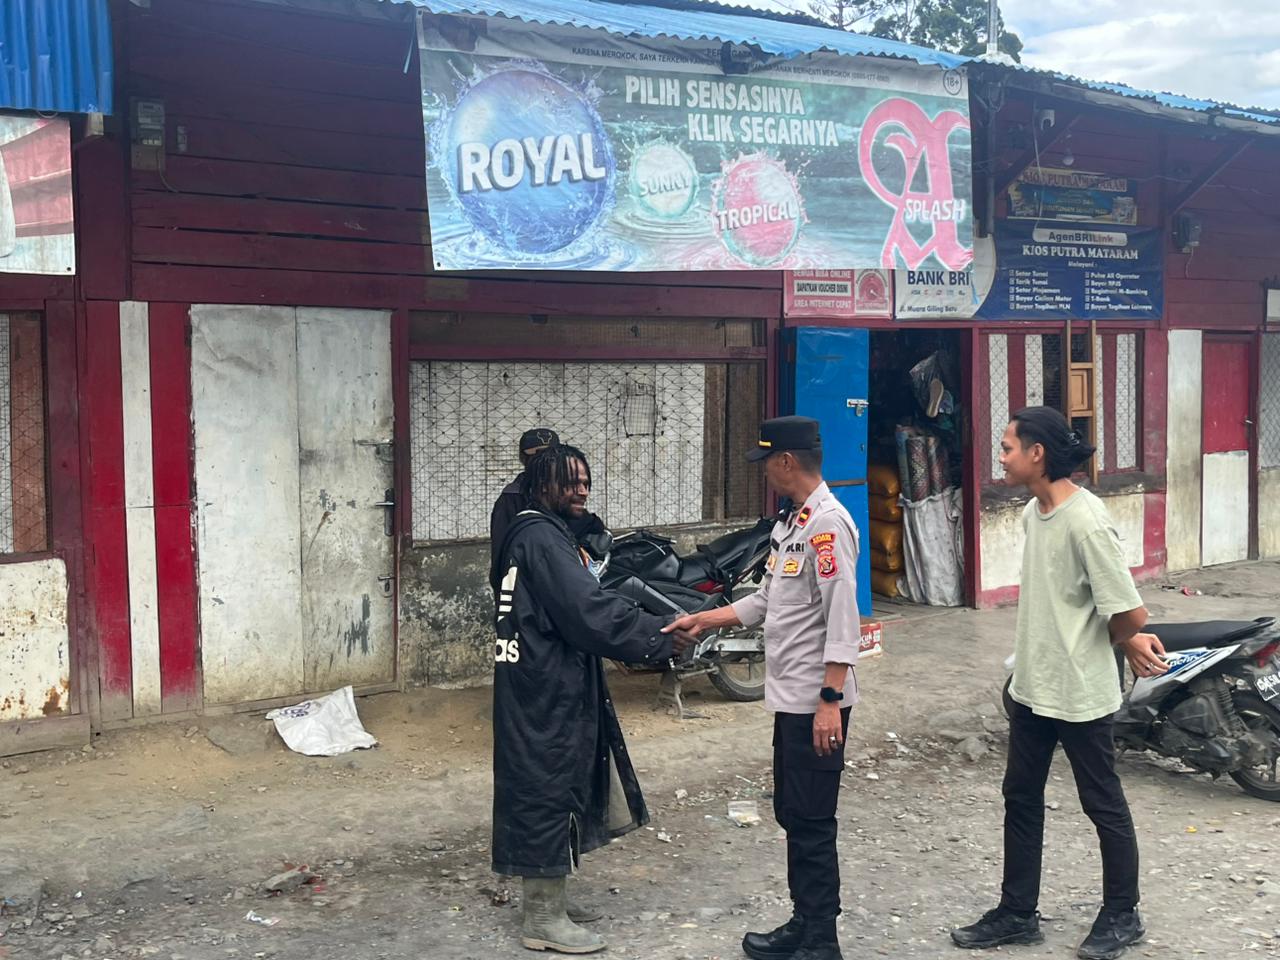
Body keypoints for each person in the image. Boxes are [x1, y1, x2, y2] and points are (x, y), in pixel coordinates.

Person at [950, 406, 1166, 960]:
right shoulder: (1032, 514)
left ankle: (1123, 913)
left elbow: (1128, 611)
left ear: (1036, 453)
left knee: (1102, 802)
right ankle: (1018, 913)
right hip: (1033, 685)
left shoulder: (1087, 520)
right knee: (1020, 798)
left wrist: (1127, 639)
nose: (1000, 457)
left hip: (1080, 690)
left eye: (1006, 447)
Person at [666, 416, 860, 960]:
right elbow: (767, 601)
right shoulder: (792, 525)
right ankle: (805, 922)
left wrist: (830, 701)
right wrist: (705, 621)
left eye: (767, 461)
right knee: (793, 813)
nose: (765, 471)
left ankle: (822, 937)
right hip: (792, 698)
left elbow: (842, 619)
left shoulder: (827, 527)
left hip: (818, 702)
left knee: (814, 819)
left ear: (787, 462)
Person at [491, 443, 694, 955]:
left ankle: (550, 898)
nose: (581, 489)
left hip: (540, 677)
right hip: (545, 683)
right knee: (546, 783)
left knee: (556, 778)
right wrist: (660, 634)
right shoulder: (542, 536)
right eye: (569, 482)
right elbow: (588, 611)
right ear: (542, 486)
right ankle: (541, 917)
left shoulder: (538, 532)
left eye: (585, 480)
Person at [490, 427, 559, 592]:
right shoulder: (511, 497)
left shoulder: (566, 492)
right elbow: (502, 554)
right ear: (523, 458)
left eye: (551, 456)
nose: (545, 462)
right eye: (537, 455)